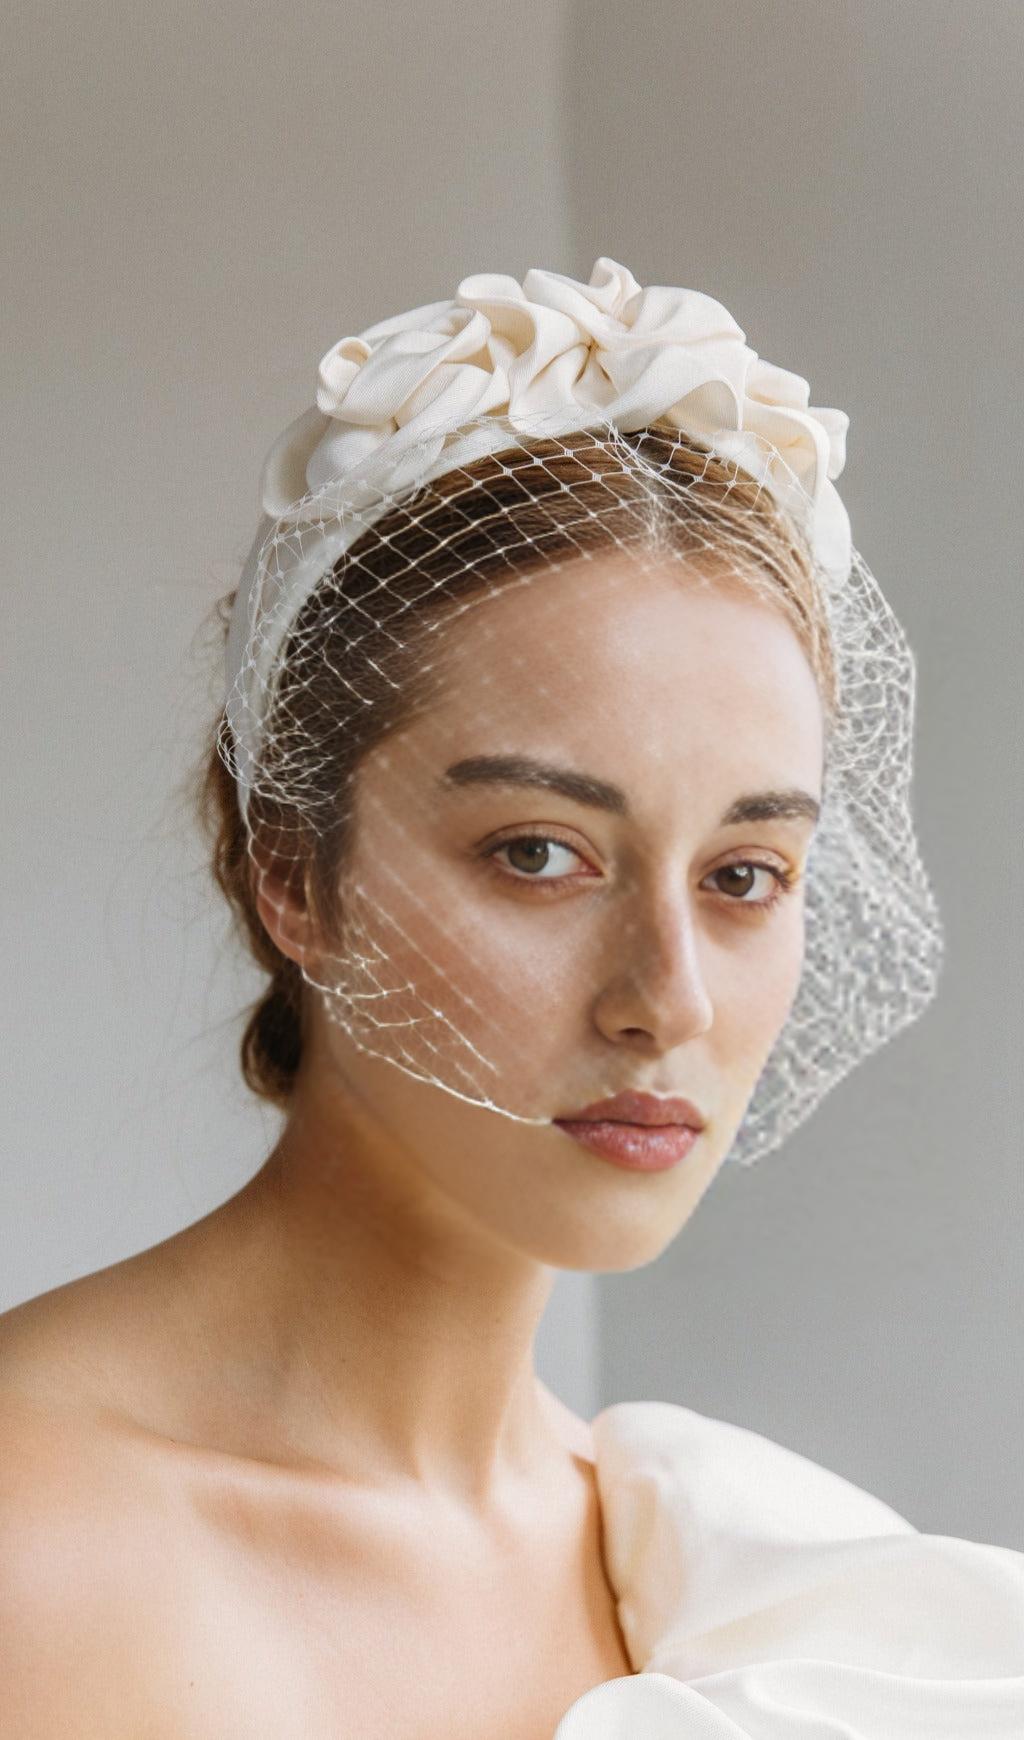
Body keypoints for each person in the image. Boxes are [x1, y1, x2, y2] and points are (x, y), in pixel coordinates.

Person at [1, 258, 1021, 1738]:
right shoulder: (35, 1543)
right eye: (541, 855)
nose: (664, 1001)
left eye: (745, 875)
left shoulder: (751, 1583)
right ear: (296, 873)